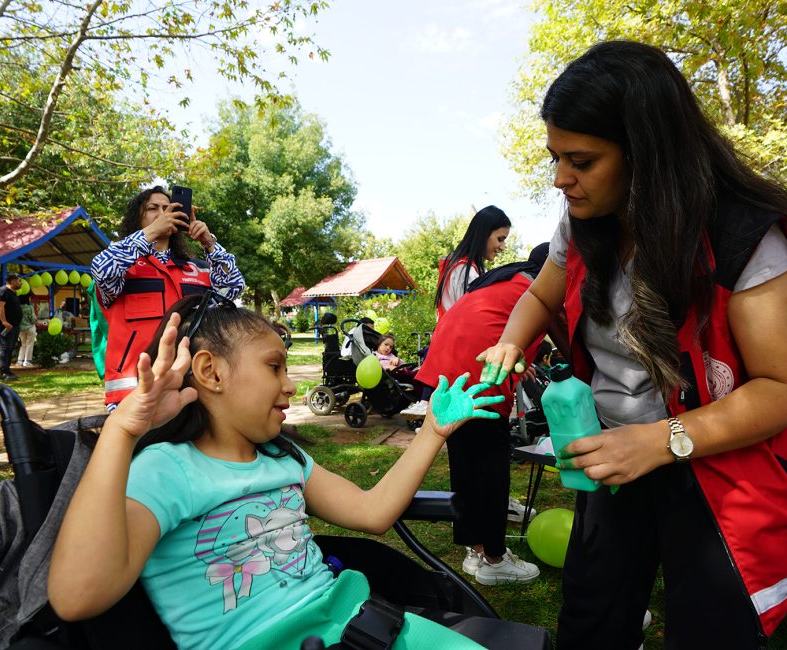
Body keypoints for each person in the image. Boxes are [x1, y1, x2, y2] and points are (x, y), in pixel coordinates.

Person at [475, 41, 787, 648]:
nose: (562, 179)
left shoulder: (742, 234)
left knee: (710, 628)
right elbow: (541, 296)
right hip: (618, 455)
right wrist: (511, 343)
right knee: (591, 619)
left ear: (647, 154)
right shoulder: (583, 217)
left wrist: (662, 441)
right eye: (556, 157)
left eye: (581, 160)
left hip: (720, 468)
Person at [47, 295, 502, 649]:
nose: (290, 384)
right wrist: (121, 431)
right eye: (273, 367)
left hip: (363, 623)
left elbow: (373, 511)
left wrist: (431, 433)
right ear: (211, 372)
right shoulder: (168, 470)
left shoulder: (283, 457)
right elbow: (77, 596)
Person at [417, 243, 564, 587]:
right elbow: (569, 339)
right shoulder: (544, 287)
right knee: (491, 465)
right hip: (479, 368)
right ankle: (495, 558)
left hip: (450, 364)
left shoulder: (506, 279)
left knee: (465, 460)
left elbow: (495, 324)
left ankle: (475, 547)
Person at [91, 186, 245, 411]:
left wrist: (209, 243)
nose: (163, 213)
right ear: (137, 218)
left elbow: (233, 287)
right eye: (153, 209)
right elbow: (101, 270)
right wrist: (150, 233)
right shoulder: (122, 266)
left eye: (168, 207)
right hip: (135, 393)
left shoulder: (197, 268)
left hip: (194, 389)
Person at [434, 206, 511, 319]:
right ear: (483, 234)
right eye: (500, 239)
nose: (503, 247)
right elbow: (474, 319)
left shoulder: (462, 266)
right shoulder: (465, 271)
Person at [0, 275, 24, 381]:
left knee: (10, 348)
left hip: (14, 326)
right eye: (19, 281)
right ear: (12, 281)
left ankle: (8, 371)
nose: (21, 283)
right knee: (5, 348)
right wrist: (4, 322)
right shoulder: (2, 291)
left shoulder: (12, 293)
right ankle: (3, 372)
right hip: (4, 326)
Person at [17, 295, 37, 368]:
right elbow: (33, 319)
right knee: (29, 344)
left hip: (21, 329)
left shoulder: (17, 307)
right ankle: (27, 361)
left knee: (23, 344)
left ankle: (20, 361)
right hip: (30, 328)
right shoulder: (30, 307)